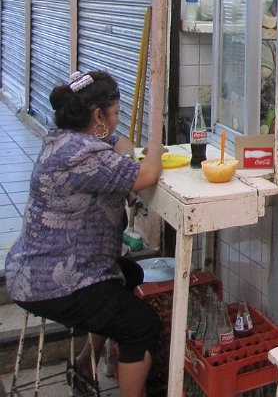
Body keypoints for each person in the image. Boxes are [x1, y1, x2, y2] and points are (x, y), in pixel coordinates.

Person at [4, 70, 164, 397]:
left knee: (128, 274)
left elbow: (119, 142)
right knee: (141, 325)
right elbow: (148, 173)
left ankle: (84, 363)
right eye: (115, 113)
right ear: (98, 116)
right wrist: (156, 144)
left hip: (40, 268)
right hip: (52, 281)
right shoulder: (82, 155)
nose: (118, 120)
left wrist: (123, 153)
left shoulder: (65, 140)